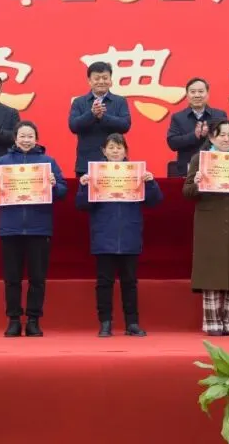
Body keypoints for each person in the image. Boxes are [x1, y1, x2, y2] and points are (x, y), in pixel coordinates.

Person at [0, 120, 69, 337]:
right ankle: (13, 320)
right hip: (10, 228)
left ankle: (33, 320)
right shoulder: (2, 162)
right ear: (15, 138)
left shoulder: (47, 162)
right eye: (22, 136)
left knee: (37, 278)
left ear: (36, 139)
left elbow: (62, 191)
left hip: (39, 228)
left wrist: (54, 184)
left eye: (30, 136)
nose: (26, 140)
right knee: (12, 278)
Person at [75, 133, 162, 337]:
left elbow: (155, 201)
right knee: (104, 283)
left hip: (129, 234)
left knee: (129, 282)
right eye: (111, 147)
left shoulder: (136, 173)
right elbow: (81, 205)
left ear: (125, 151)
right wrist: (84, 186)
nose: (115, 151)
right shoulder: (95, 174)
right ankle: (105, 322)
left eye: (119, 147)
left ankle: (132, 323)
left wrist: (150, 183)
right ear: (104, 151)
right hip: (104, 235)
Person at [183, 119, 229, 336]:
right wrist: (198, 182)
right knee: (211, 269)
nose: (226, 139)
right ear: (211, 137)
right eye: (221, 135)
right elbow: (187, 192)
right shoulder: (200, 159)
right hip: (209, 220)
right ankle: (212, 321)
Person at [68, 61, 131, 176]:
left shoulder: (120, 101)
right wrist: (91, 114)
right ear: (89, 81)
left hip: (115, 162)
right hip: (86, 163)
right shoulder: (79, 102)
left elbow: (125, 125)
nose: (101, 81)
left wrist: (103, 117)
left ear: (110, 80)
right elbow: (73, 126)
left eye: (105, 78)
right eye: (97, 78)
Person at [166, 77, 228, 176]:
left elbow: (227, 141)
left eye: (201, 91)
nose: (197, 95)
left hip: (215, 170)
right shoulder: (178, 117)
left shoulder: (219, 115)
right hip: (187, 173)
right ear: (187, 95)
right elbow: (172, 143)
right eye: (193, 92)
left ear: (207, 94)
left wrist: (211, 135)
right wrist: (194, 136)